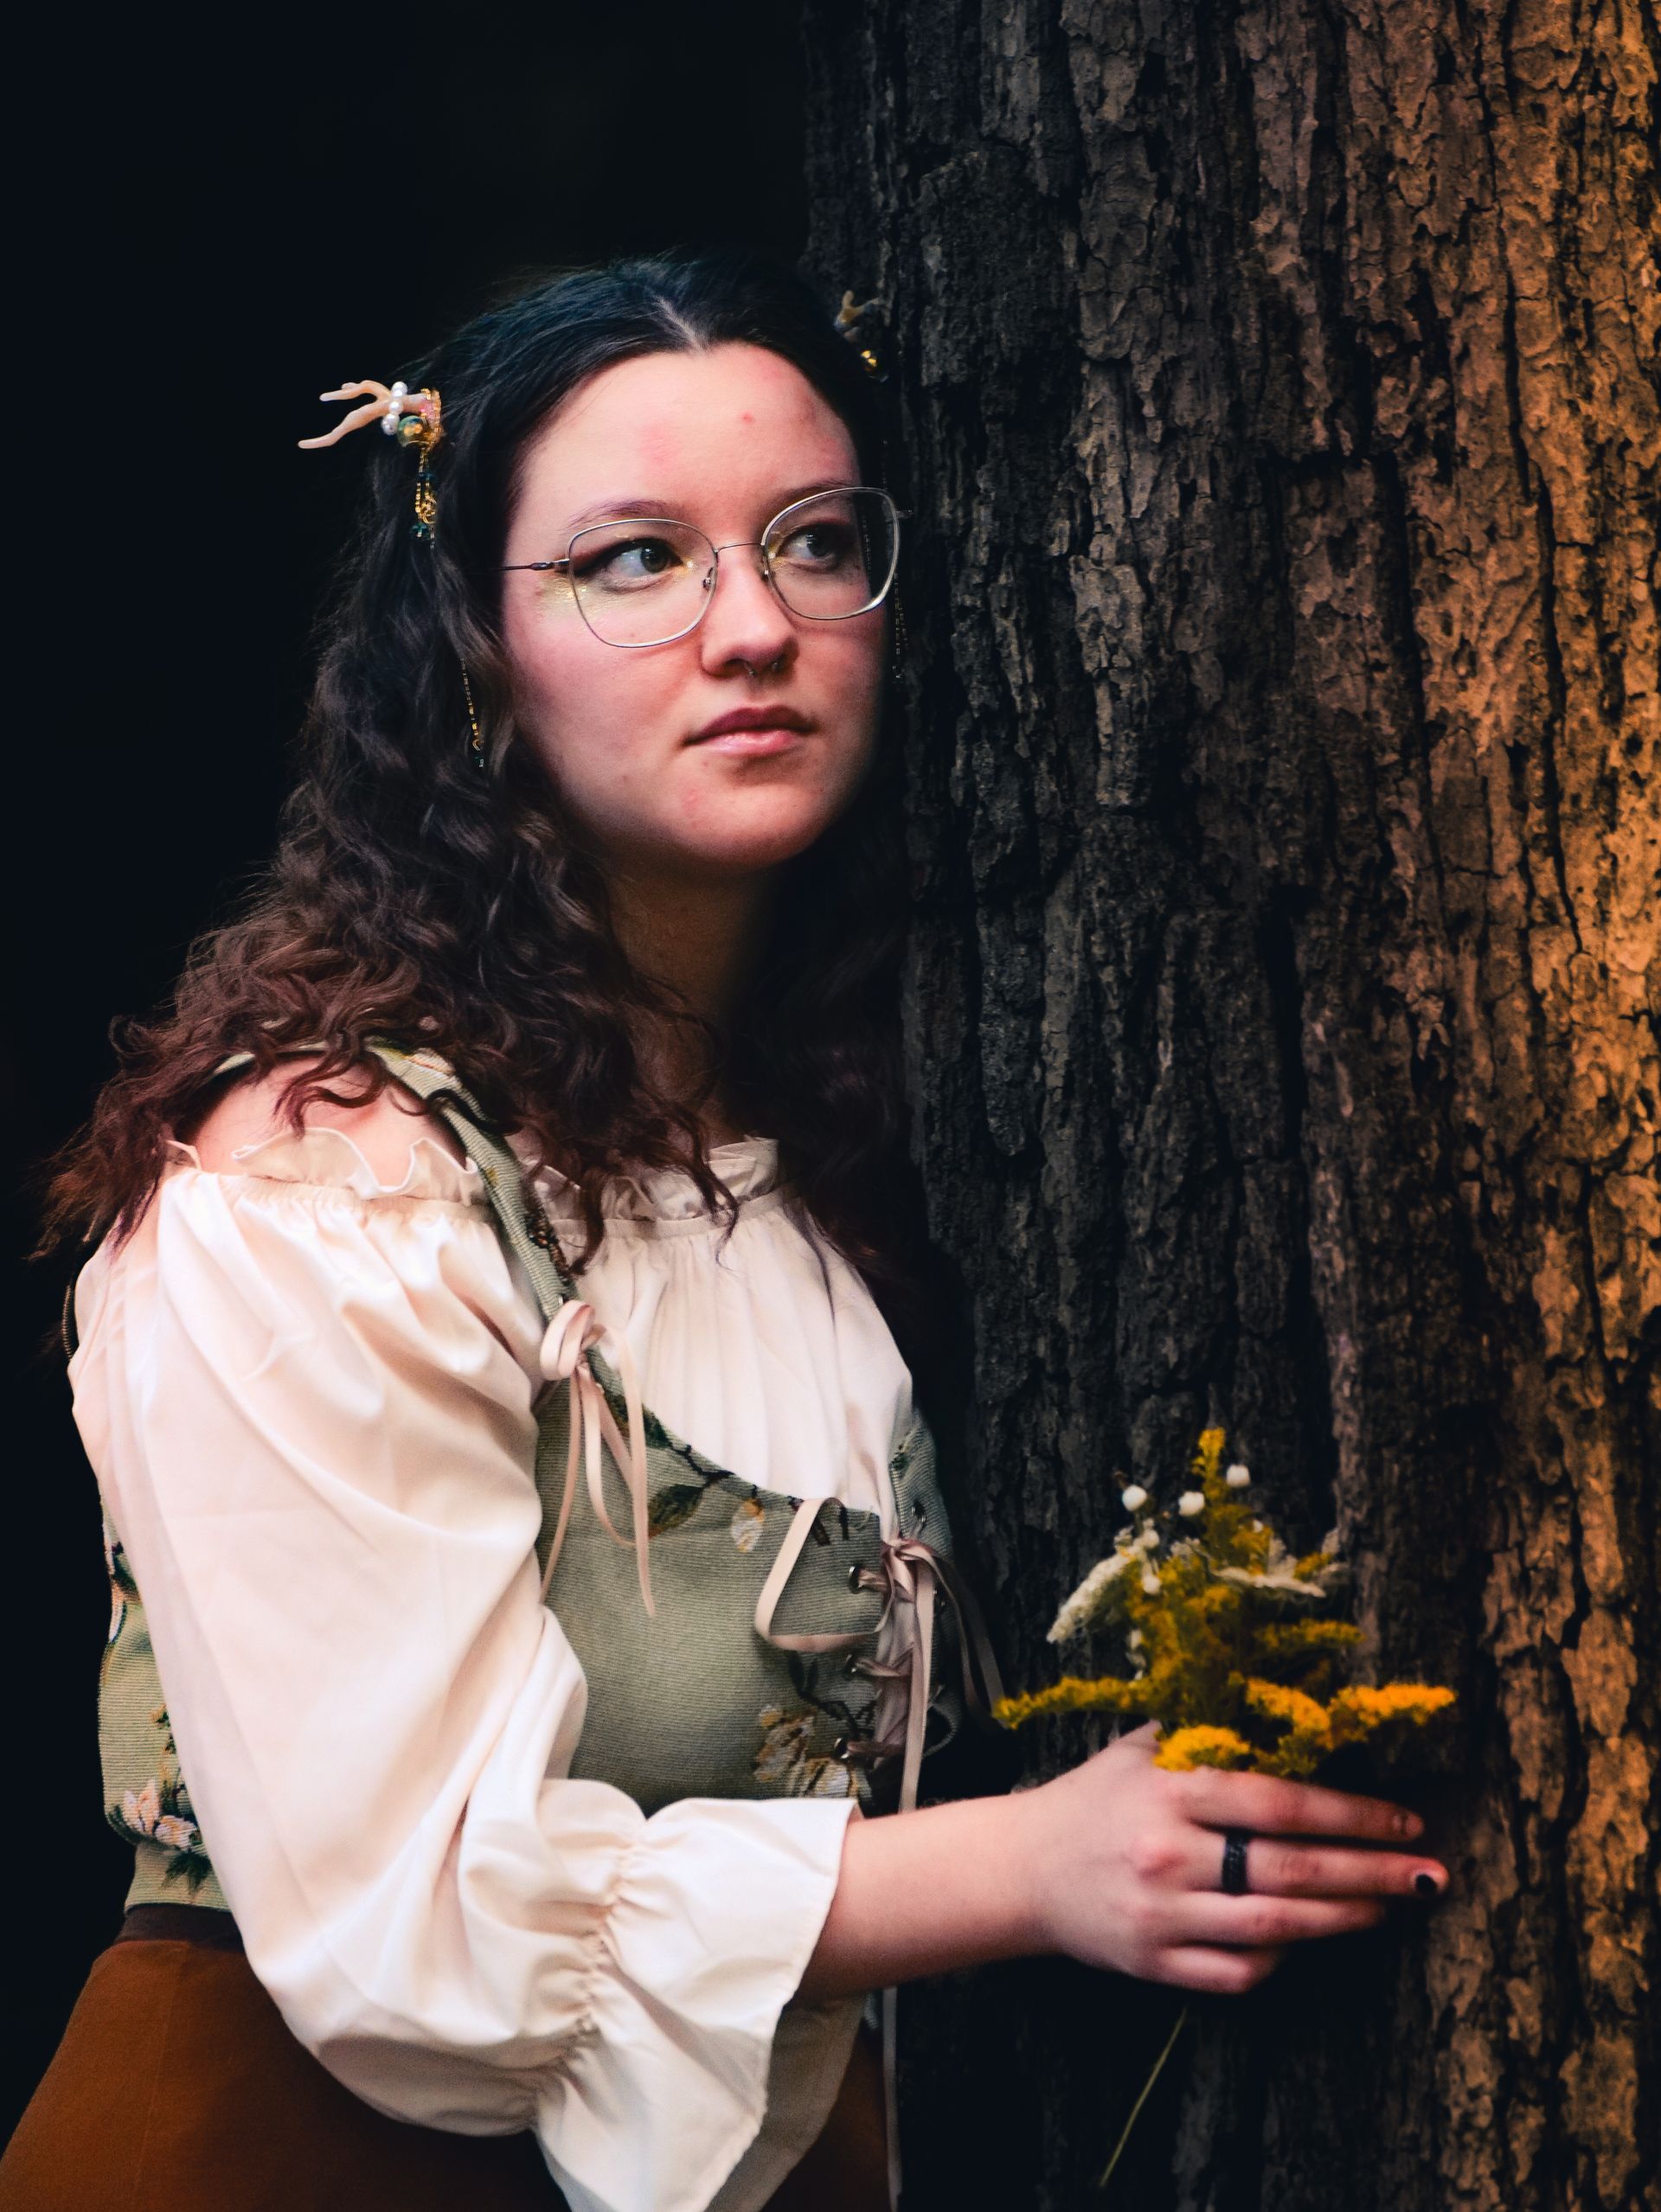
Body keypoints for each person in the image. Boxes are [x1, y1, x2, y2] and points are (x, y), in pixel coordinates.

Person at [8, 248, 1450, 2212]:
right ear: (468, 650)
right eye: (633, 561)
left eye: (813, 542)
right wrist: (1029, 1865)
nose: (752, 626)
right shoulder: (323, 1175)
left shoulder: (846, 1145)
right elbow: (420, 1931)